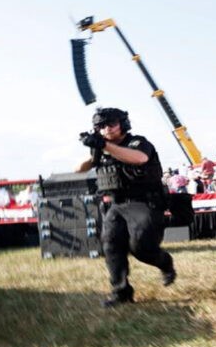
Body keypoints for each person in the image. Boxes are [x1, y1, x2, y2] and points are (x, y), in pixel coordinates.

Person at [75, 107, 176, 308]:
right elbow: (79, 169)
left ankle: (165, 263)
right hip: (116, 203)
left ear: (122, 123)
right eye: (101, 126)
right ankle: (121, 292)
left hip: (144, 202)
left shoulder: (138, 142)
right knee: (111, 245)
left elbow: (139, 158)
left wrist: (105, 145)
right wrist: (94, 149)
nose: (107, 129)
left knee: (141, 247)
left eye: (111, 124)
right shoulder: (102, 148)